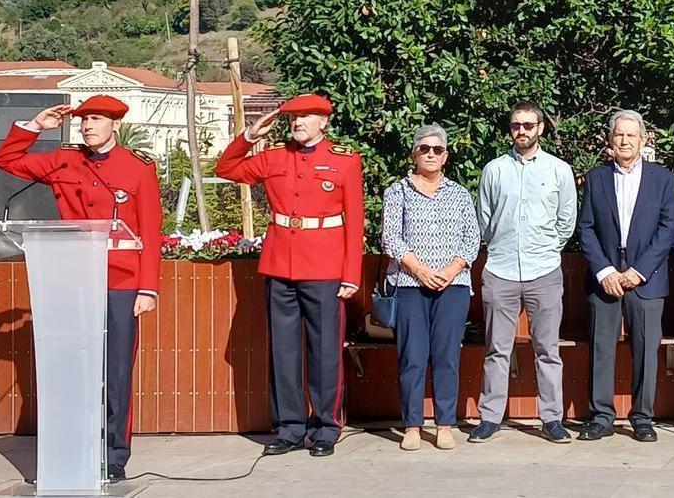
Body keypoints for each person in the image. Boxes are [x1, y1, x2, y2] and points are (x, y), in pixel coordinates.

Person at [0, 95, 162, 482]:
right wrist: (35, 126)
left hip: (121, 280)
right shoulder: (64, 161)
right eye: (84, 120)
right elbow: (6, 160)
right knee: (73, 369)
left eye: (97, 120)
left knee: (116, 369)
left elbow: (151, 231)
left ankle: (114, 453)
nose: (88, 126)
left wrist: (147, 288)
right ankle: (76, 447)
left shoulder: (137, 169)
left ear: (115, 125)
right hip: (73, 279)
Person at [214, 94, 364, 458]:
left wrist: (351, 275)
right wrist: (249, 135)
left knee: (325, 350)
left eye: (306, 117)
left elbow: (355, 221)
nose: (297, 122)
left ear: (323, 123)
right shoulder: (275, 157)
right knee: (283, 351)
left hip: (325, 266)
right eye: (293, 117)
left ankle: (326, 427)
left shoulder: (344, 161)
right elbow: (226, 169)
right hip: (281, 265)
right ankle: (290, 427)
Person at [470, 100, 577, 444]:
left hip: (543, 269)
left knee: (547, 349)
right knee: (497, 349)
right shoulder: (494, 170)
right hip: (500, 269)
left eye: (528, 125)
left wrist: (545, 249)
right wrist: (499, 246)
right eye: (516, 125)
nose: (522, 131)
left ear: (540, 128)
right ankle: (490, 417)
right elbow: (483, 220)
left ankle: (552, 419)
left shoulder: (559, 171)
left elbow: (566, 222)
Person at [577, 110, 674, 443]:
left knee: (646, 349)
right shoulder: (596, 178)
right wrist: (605, 270)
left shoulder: (663, 178)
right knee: (601, 348)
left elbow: (667, 229)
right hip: (604, 276)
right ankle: (601, 416)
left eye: (631, 135)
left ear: (643, 140)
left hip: (645, 278)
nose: (624, 140)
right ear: (610, 139)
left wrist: (638, 271)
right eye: (619, 134)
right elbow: (586, 229)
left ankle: (642, 417)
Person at [380, 124, 480, 451]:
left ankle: (445, 424)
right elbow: (390, 237)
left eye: (437, 149)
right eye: (425, 148)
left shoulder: (460, 193)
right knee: (412, 356)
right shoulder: (398, 192)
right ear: (414, 154)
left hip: (453, 286)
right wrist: (420, 270)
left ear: (446, 156)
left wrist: (450, 270)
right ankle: (411, 425)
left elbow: (472, 238)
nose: (431, 154)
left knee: (447, 356)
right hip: (410, 284)